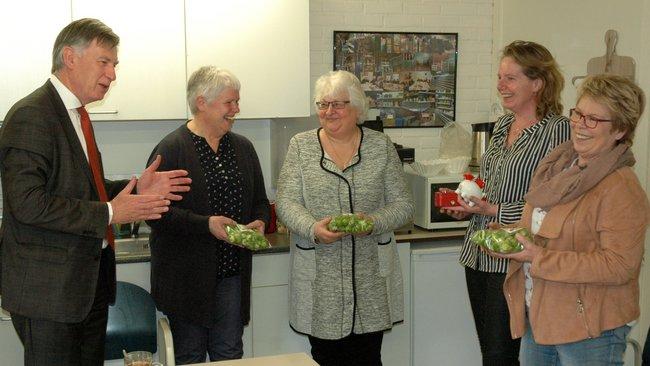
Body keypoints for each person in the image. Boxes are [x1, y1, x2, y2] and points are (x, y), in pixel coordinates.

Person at [0, 18, 191, 365]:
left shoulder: (75, 115)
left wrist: (134, 186)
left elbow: (86, 190)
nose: (113, 74)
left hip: (87, 289)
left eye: (114, 65)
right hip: (48, 293)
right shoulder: (32, 115)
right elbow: (27, 203)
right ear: (70, 57)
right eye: (104, 62)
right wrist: (112, 212)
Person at [489, 74, 649, 365]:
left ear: (620, 130)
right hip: (540, 314)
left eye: (594, 120)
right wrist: (511, 236)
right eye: (578, 114)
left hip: (589, 330)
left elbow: (619, 266)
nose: (579, 126)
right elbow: (552, 232)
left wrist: (539, 257)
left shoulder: (621, 187)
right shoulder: (561, 168)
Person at [441, 40, 571, 365]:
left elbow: (557, 202)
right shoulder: (501, 126)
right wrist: (468, 201)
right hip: (478, 253)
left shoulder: (558, 132)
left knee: (503, 355)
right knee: (491, 352)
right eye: (500, 77)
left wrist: (495, 210)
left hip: (516, 259)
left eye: (510, 78)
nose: (501, 86)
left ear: (537, 83)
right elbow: (490, 179)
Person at [276, 70, 414, 366]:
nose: (329, 112)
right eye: (322, 104)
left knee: (368, 358)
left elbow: (403, 205)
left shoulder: (380, 147)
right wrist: (312, 228)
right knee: (324, 358)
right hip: (320, 278)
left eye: (337, 104)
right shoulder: (300, 146)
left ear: (357, 108)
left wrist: (373, 222)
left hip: (370, 279)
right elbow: (286, 202)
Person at [146, 66, 270, 364]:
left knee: (230, 355)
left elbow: (261, 202)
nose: (236, 109)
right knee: (190, 357)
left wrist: (260, 221)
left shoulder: (243, 148)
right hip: (186, 278)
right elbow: (154, 213)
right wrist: (206, 225)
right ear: (202, 102)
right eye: (230, 102)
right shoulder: (171, 148)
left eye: (236, 102)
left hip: (231, 275)